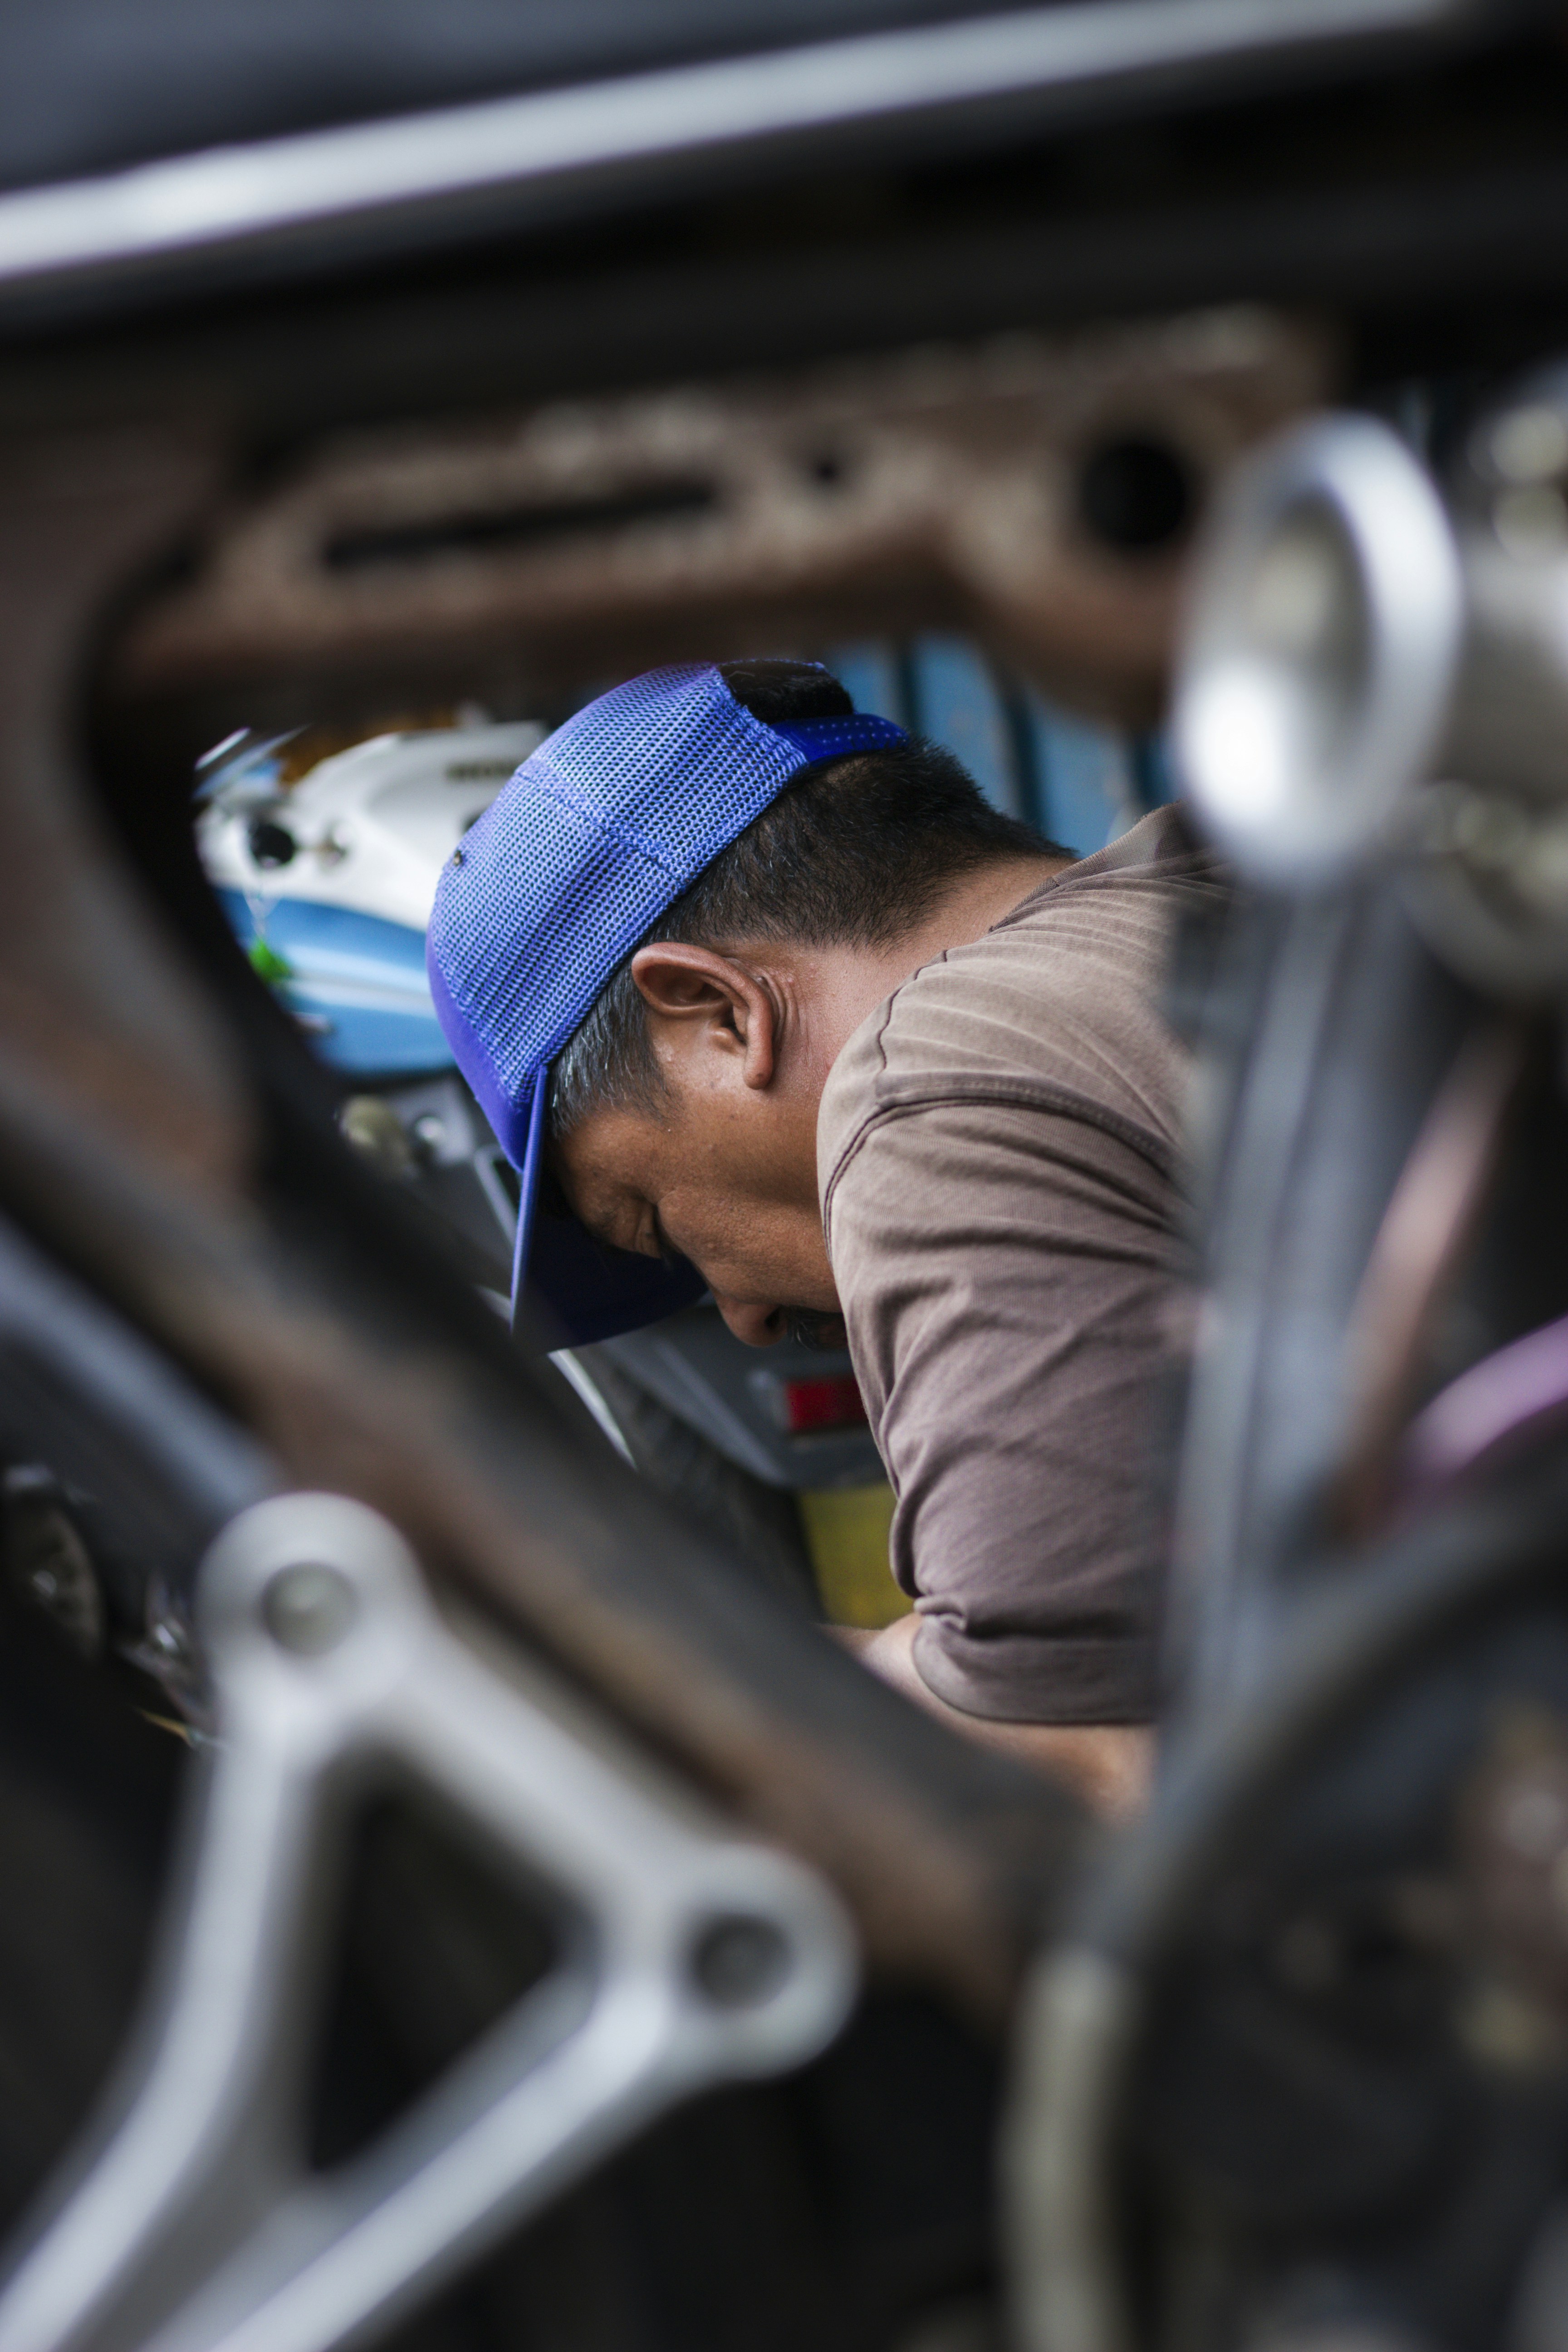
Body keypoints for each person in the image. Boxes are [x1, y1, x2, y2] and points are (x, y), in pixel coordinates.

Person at [428, 657, 1223, 1816]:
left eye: (655, 1223)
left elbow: (1116, 1763)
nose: (746, 1318)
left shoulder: (932, 1084)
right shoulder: (1234, 880)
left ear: (718, 1011)